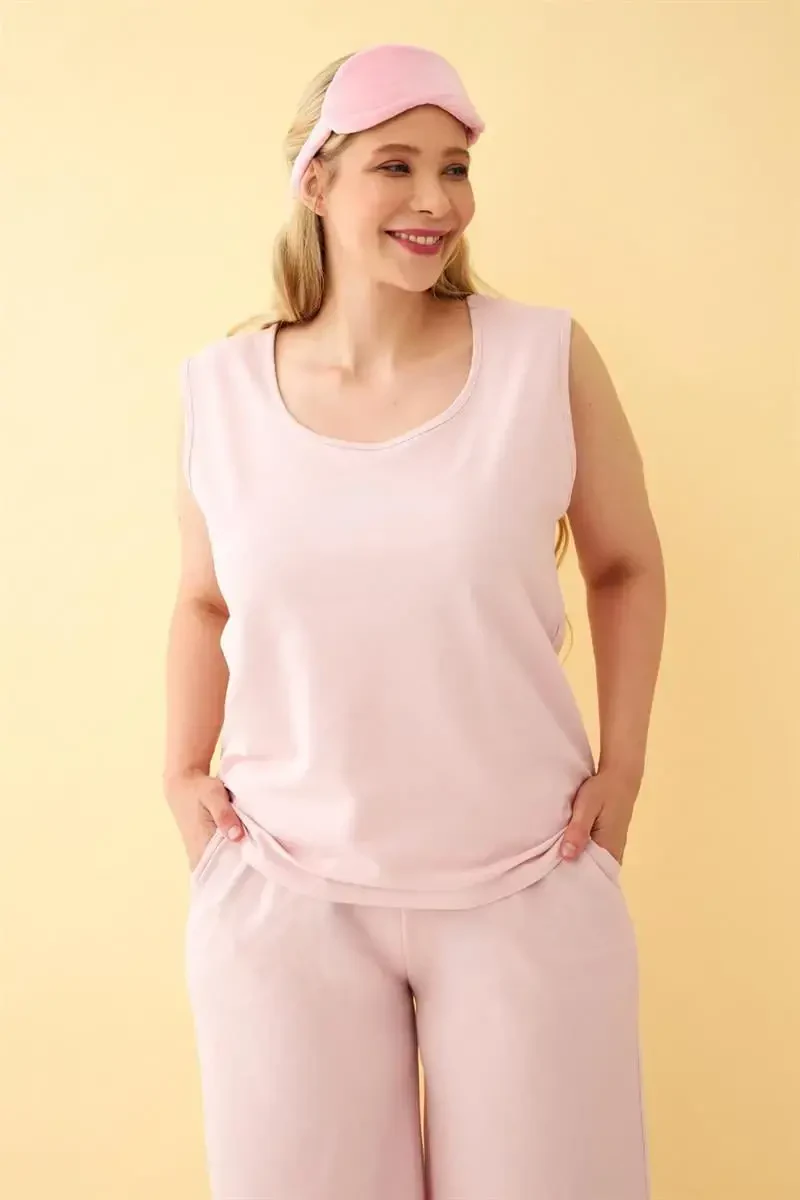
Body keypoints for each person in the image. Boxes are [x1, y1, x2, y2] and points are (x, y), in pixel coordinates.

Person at [163, 41, 665, 1200]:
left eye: (455, 167)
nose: (436, 200)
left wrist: (624, 768)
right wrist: (181, 771)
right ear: (316, 180)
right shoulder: (219, 391)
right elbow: (202, 597)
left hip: (528, 877)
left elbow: (625, 565)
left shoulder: (543, 358)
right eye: (396, 165)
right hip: (283, 889)